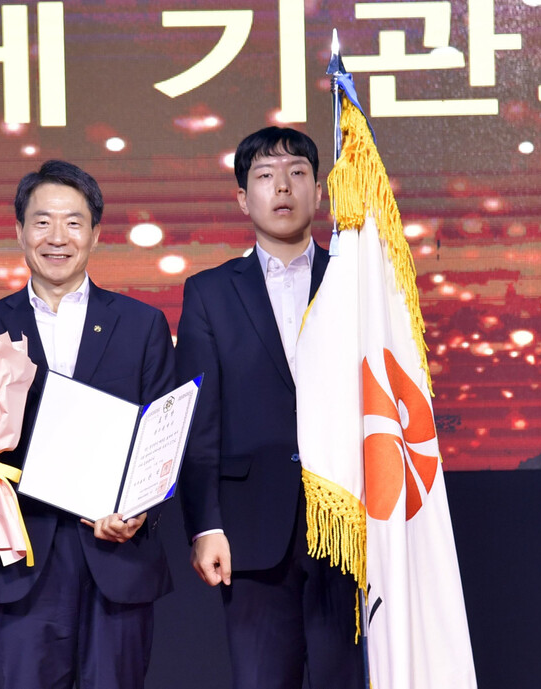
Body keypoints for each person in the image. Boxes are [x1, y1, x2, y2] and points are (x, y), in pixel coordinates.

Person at [0, 160, 175, 689]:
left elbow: (164, 438)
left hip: (117, 554)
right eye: (42, 221)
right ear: (20, 231)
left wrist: (140, 509)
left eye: (73, 222)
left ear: (95, 233)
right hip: (24, 555)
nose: (57, 237)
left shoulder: (142, 324)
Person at [175, 127, 366, 689]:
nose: (282, 187)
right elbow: (199, 421)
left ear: (318, 191)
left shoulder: (356, 281)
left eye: (297, 173)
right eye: (265, 175)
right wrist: (205, 525)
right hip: (251, 530)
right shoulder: (209, 292)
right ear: (243, 198)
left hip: (349, 524)